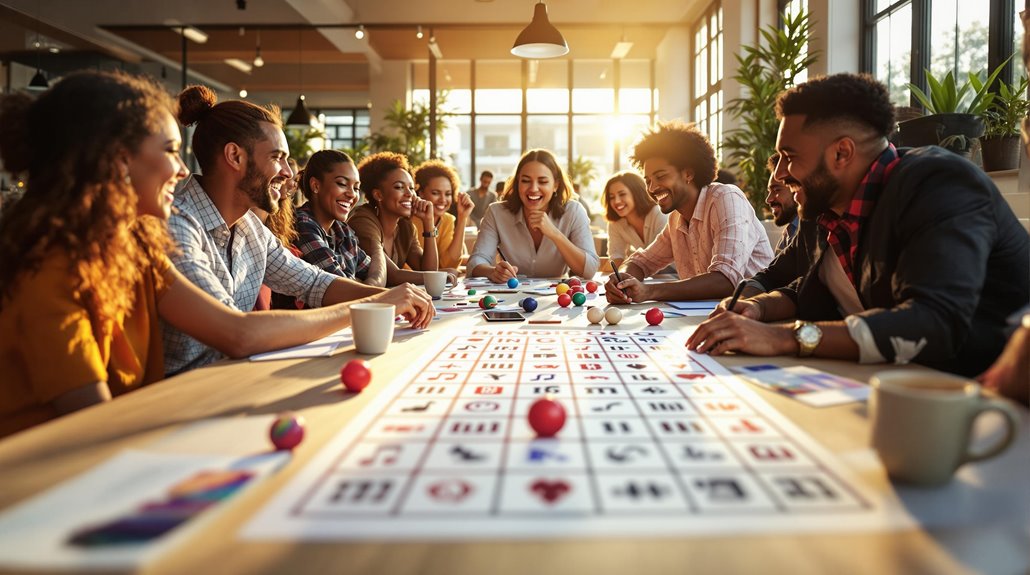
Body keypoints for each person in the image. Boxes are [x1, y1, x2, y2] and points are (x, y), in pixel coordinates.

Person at [0, 71, 430, 438]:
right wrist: (374, 304)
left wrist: (378, 302)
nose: (183, 169)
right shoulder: (47, 274)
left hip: (167, 419)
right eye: (170, 152)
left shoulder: (141, 245)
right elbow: (94, 427)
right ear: (116, 161)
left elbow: (306, 287)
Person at [688, 73, 1029, 378]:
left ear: (842, 153)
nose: (780, 175)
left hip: (990, 403)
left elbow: (934, 322)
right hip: (901, 385)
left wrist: (784, 337)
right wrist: (757, 306)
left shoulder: (939, 184)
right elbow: (803, 290)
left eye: (789, 158)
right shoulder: (823, 208)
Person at [164, 86, 433, 375]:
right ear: (235, 156)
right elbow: (238, 335)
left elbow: (316, 283)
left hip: (235, 381)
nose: (289, 173)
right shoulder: (177, 225)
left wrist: (389, 298)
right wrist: (377, 302)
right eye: (277, 157)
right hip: (184, 398)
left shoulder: (249, 227)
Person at [605, 121, 773, 303]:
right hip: (708, 316)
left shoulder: (726, 198)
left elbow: (725, 279)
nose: (652, 188)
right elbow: (641, 262)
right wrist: (622, 280)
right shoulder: (676, 219)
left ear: (688, 174)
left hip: (756, 316)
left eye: (660, 176)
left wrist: (649, 291)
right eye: (647, 180)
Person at [468, 149, 599, 281]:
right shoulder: (496, 213)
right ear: (518, 182)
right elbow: (475, 262)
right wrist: (492, 272)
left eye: (542, 182)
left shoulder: (574, 211)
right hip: (509, 294)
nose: (533, 188)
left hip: (556, 296)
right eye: (525, 181)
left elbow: (589, 270)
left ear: (556, 185)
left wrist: (554, 233)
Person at [348, 152, 451, 287]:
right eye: (399, 187)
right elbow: (392, 275)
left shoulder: (405, 226)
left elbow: (427, 271)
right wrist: (443, 276)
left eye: (412, 188)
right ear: (378, 194)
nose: (409, 194)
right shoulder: (362, 220)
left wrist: (428, 223)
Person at [291, 149, 373, 284]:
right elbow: (341, 287)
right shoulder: (302, 225)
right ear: (316, 185)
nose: (352, 195)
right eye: (342, 184)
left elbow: (375, 271)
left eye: (356, 188)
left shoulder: (343, 230)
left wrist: (366, 283)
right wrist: (362, 282)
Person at [411, 159, 474, 270]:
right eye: (435, 193)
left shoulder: (447, 219)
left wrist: (462, 217)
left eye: (448, 194)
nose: (443, 200)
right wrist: (444, 272)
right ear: (420, 193)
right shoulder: (408, 220)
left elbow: (449, 264)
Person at [601, 171, 668, 270]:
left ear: (637, 193)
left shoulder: (659, 213)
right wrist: (619, 278)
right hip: (649, 276)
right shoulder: (616, 224)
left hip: (675, 274)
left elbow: (657, 256)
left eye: (622, 194)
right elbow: (616, 256)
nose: (616, 201)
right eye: (611, 197)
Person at [764, 153, 799, 253]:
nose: (768, 199)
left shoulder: (817, 231)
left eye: (776, 190)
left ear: (796, 188)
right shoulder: (790, 231)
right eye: (769, 191)